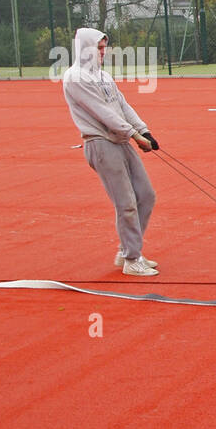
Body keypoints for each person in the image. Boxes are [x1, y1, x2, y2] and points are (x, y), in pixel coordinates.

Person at [62, 27, 160, 276]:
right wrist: (135, 135)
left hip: (121, 139)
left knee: (146, 195)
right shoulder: (75, 78)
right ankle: (131, 259)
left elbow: (122, 105)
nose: (103, 52)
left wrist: (144, 130)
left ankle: (127, 249)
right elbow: (102, 113)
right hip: (101, 143)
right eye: (99, 48)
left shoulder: (103, 76)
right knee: (126, 203)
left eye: (104, 48)